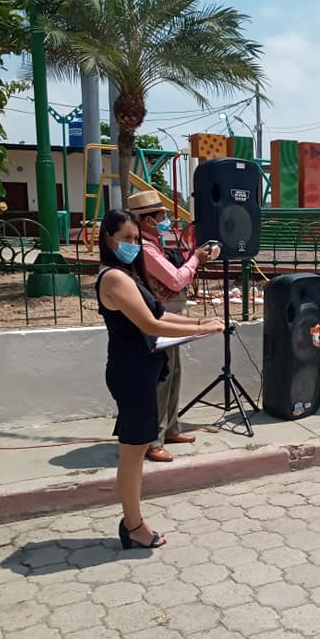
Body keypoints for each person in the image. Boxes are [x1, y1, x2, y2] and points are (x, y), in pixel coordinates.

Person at [96, 208, 223, 549]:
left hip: (141, 369)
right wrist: (201, 330)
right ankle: (133, 525)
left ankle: (132, 522)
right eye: (126, 238)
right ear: (108, 239)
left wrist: (198, 324)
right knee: (133, 452)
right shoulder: (113, 278)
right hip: (131, 372)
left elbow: (159, 313)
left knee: (136, 449)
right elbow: (149, 325)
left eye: (136, 238)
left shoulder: (128, 274)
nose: (133, 244)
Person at [127, 189, 220, 463]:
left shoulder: (155, 244)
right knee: (161, 380)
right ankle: (153, 441)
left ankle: (170, 428)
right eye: (162, 216)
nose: (166, 221)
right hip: (159, 323)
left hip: (170, 320)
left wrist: (192, 258)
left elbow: (174, 277)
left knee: (173, 375)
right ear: (148, 220)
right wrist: (196, 260)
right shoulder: (145, 248)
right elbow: (176, 280)